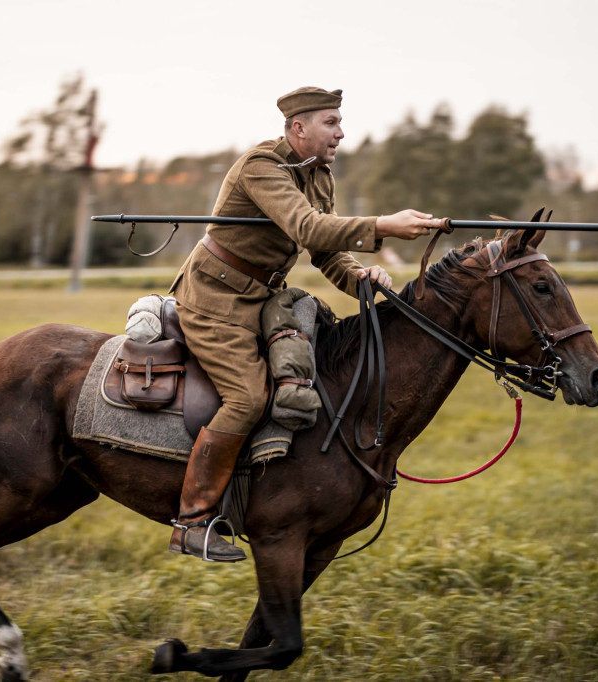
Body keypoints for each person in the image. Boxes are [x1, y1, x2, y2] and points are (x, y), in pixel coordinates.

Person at [168, 86, 447, 561]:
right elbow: (308, 228)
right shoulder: (262, 167)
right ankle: (192, 521)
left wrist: (360, 278)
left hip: (262, 299)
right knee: (248, 396)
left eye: (340, 123)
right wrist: (382, 225)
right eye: (331, 122)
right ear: (299, 128)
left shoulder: (319, 176)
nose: (341, 132)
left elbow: (325, 252)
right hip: (213, 301)